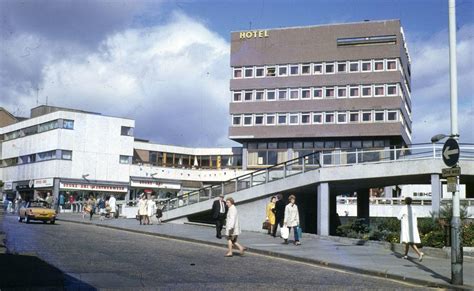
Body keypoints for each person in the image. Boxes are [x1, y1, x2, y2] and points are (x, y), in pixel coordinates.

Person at [398, 197, 424, 261]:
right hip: (413, 228)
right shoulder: (413, 209)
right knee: (407, 242)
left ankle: (419, 254)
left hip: (406, 227)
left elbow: (398, 217)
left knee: (410, 242)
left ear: (405, 201)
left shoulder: (404, 208)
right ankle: (405, 255)